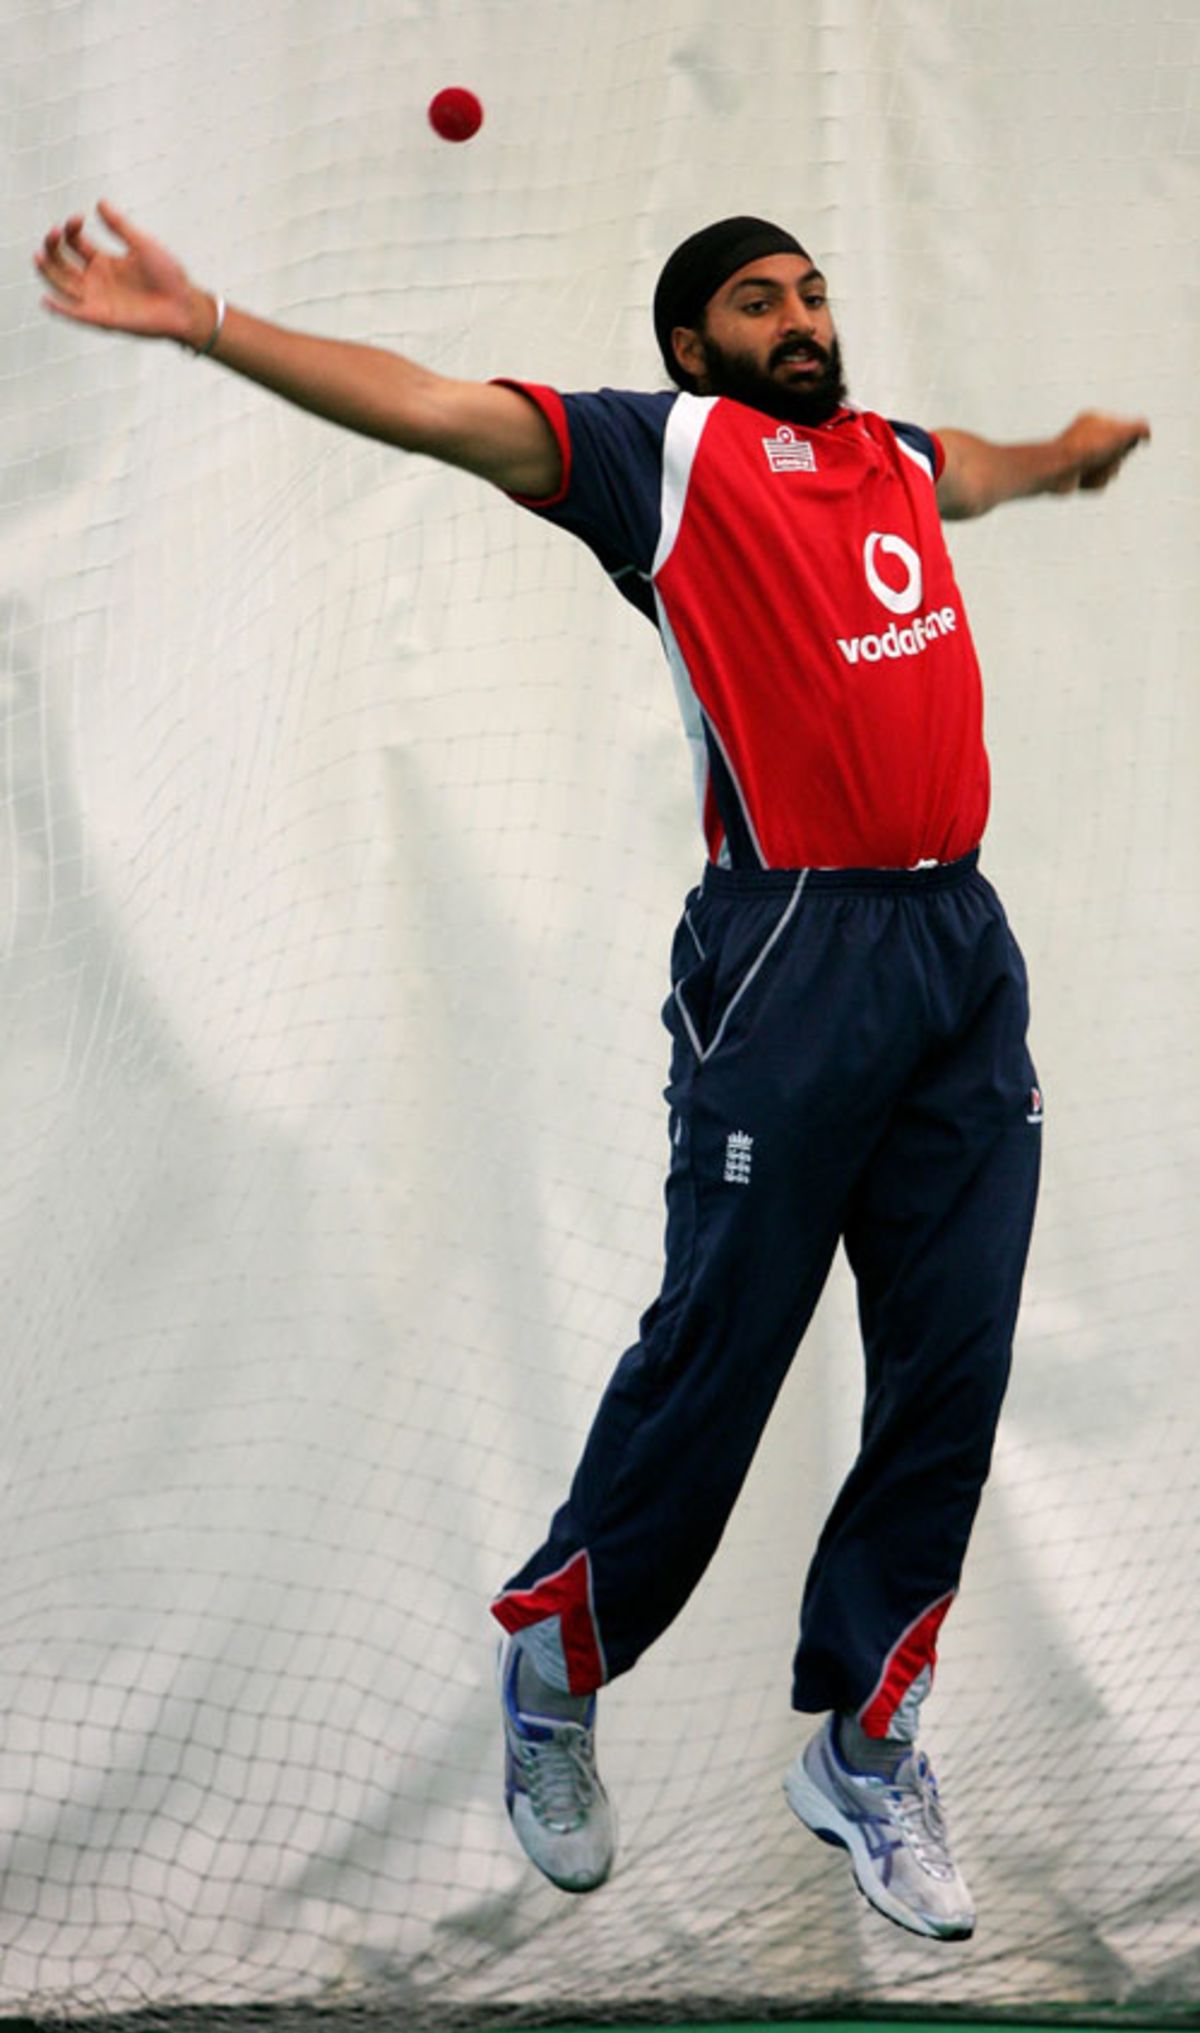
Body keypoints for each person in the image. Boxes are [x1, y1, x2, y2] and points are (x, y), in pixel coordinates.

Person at [36, 205, 1148, 1942]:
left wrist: (1064, 462)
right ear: (691, 344)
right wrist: (209, 323)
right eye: (755, 300)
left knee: (960, 1356)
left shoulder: (889, 459)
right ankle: (558, 1661)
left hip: (958, 957)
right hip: (789, 958)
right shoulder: (662, 456)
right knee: (722, 1346)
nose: (799, 316)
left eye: (811, 289)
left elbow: (975, 470)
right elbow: (423, 403)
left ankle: (867, 1736)